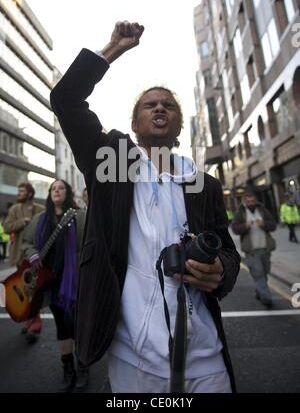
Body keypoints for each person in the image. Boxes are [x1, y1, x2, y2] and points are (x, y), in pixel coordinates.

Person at [50, 21, 241, 393]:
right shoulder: (109, 165)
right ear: (134, 123)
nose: (159, 108)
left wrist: (220, 271)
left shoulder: (204, 185)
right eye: (150, 104)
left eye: (168, 105)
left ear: (178, 125)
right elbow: (66, 100)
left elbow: (229, 254)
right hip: (133, 357)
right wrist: (112, 49)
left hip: (204, 355)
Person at [22, 179, 87, 392]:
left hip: (74, 282)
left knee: (76, 325)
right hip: (50, 282)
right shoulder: (40, 219)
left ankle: (83, 366)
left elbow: (92, 244)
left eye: (61, 188)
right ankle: (68, 369)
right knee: (62, 326)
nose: (56, 191)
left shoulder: (80, 217)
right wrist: (32, 256)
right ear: (49, 194)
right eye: (53, 188)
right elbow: (27, 243)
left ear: (67, 193)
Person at [4, 182, 45, 339]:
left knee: (34, 289)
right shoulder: (14, 209)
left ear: (29, 193)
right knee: (23, 289)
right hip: (20, 256)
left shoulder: (40, 209)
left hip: (36, 256)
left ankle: (34, 323)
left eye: (22, 190)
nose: (19, 193)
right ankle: (29, 321)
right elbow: (7, 227)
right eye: (18, 190)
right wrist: (23, 221)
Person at [231, 187, 277, 308]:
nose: (251, 203)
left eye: (252, 201)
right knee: (259, 273)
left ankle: (259, 291)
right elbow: (235, 229)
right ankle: (266, 298)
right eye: (248, 201)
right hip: (251, 250)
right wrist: (245, 226)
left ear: (255, 200)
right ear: (245, 201)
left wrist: (264, 224)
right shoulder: (240, 212)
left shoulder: (262, 210)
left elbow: (273, 225)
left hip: (265, 248)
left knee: (265, 272)